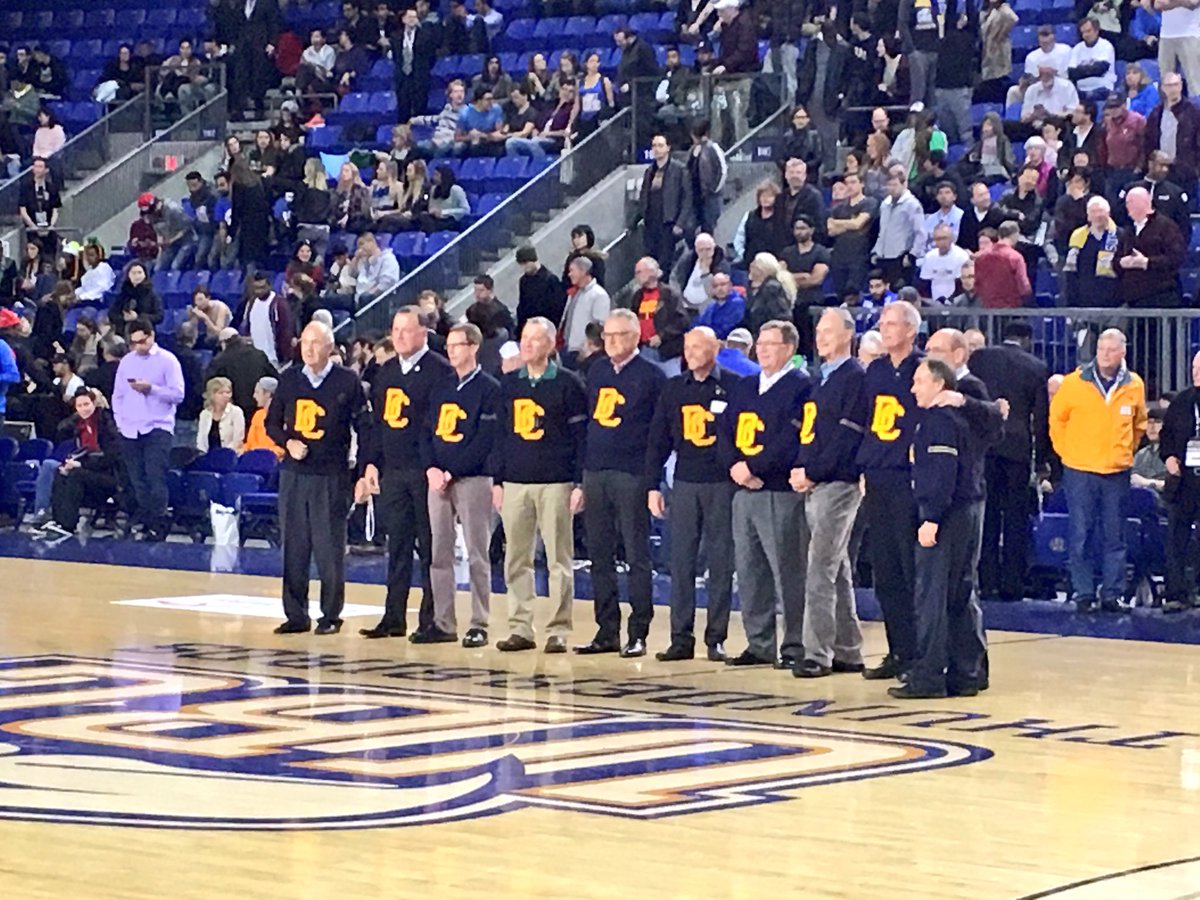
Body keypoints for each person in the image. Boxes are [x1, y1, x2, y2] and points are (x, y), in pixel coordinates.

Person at [357, 307, 456, 640]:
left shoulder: (440, 371)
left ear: (423, 333)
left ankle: (432, 619)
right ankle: (393, 617)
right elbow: (377, 424)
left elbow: (440, 426)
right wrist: (371, 463)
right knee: (397, 546)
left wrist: (437, 466)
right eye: (395, 329)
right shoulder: (385, 372)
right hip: (394, 471)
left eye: (406, 330)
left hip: (425, 471)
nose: (398, 336)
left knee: (430, 548)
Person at [890, 358, 986, 699]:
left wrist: (931, 516)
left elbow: (941, 472)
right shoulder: (962, 419)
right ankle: (967, 673)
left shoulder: (938, 421)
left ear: (939, 384)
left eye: (919, 381)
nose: (913, 388)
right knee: (961, 593)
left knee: (932, 596)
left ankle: (929, 676)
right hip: (967, 511)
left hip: (947, 515)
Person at [574, 309, 666, 657]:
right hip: (596, 471)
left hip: (632, 474)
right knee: (600, 554)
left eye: (618, 335)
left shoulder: (652, 375)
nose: (611, 342)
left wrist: (651, 478)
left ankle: (638, 631)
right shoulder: (596, 370)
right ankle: (606, 630)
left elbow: (659, 434)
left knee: (636, 554)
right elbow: (586, 425)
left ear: (635, 336)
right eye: (607, 336)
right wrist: (581, 478)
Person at [493, 317, 588, 653]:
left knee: (558, 560)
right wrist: (497, 481)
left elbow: (581, 438)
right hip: (515, 482)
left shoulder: (568, 383)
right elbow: (499, 437)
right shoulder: (509, 384)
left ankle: (559, 629)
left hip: (556, 482)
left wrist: (580, 482)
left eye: (535, 339)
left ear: (550, 345)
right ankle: (520, 627)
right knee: (515, 559)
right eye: (524, 338)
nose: (527, 344)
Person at [721, 319, 812, 668]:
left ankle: (794, 645)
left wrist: (755, 468)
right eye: (759, 343)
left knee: (787, 571)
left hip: (778, 490)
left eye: (770, 344)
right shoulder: (745, 386)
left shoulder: (801, 386)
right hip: (742, 490)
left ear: (788, 349)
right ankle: (759, 643)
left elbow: (791, 439)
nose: (761, 350)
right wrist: (734, 465)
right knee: (749, 570)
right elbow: (724, 429)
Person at [267, 321, 366, 634]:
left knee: (329, 548)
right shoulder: (289, 378)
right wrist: (288, 442)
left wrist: (362, 470)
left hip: (331, 475)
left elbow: (363, 426)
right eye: (305, 342)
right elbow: (272, 424)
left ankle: (331, 615)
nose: (308, 349)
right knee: (294, 546)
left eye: (316, 343)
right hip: (294, 475)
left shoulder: (347, 380)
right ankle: (296, 615)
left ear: (330, 347)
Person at [646, 327, 736, 662]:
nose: (691, 352)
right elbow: (658, 440)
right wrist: (652, 485)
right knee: (681, 561)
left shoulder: (733, 385)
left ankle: (716, 638)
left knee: (720, 562)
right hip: (684, 481)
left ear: (715, 348)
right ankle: (680, 638)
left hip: (722, 484)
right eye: (687, 347)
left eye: (698, 346)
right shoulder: (673, 388)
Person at [788, 309, 868, 678]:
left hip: (838, 484)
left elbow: (846, 438)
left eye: (828, 331)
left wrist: (812, 471)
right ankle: (849, 650)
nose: (820, 337)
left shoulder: (854, 377)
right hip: (816, 483)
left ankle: (816, 654)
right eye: (818, 331)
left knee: (820, 567)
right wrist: (801, 468)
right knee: (837, 568)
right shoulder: (822, 377)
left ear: (848, 335)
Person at [1049, 329, 1148, 611]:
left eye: (1111, 349)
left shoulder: (1135, 385)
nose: (1105, 354)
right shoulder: (1074, 382)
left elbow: (1139, 425)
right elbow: (1057, 421)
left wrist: (1124, 452)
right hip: (1079, 470)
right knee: (1081, 533)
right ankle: (1083, 593)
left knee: (1115, 536)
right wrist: (1068, 453)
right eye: (1102, 348)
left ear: (1123, 353)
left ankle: (1112, 594)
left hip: (1117, 472)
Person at [855, 300, 923, 680]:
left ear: (911, 330)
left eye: (892, 323)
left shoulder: (922, 369)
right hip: (877, 475)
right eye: (882, 322)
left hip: (907, 478)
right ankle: (897, 650)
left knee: (909, 567)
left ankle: (919, 654)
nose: (884, 328)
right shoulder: (876, 370)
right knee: (885, 571)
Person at [421, 322, 499, 647]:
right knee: (439, 553)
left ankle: (479, 622)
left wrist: (452, 470)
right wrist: (431, 468)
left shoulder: (489, 388)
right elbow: (426, 432)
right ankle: (443, 622)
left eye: (457, 345)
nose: (451, 351)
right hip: (438, 480)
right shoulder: (441, 386)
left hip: (473, 479)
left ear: (473, 347)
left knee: (477, 553)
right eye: (449, 346)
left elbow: (485, 441)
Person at [968, 322, 1050, 602]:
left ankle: (986, 581)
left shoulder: (980, 358)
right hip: (1017, 450)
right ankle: (1012, 584)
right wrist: (1043, 460)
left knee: (987, 515)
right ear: (1026, 339)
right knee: (1016, 518)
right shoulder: (1036, 367)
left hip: (984, 446)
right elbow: (1041, 419)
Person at [112, 318, 185, 542]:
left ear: (151, 336)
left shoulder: (168, 361)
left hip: (157, 426)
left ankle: (159, 523)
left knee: (155, 476)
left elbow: (178, 394)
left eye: (142, 342)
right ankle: (146, 520)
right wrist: (120, 420)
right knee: (137, 479)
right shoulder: (126, 361)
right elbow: (118, 394)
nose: (138, 347)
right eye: (133, 343)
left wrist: (152, 389)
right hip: (130, 428)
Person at [1160, 351, 1200, 609]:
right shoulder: (1182, 401)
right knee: (1176, 536)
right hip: (1183, 481)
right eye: (1194, 367)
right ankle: (1175, 591)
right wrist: (1169, 458)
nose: (1196, 373)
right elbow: (1166, 436)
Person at [1115, 186, 1186, 308]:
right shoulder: (1128, 230)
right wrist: (1122, 262)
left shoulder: (1167, 227)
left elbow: (1176, 258)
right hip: (1132, 298)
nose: (1127, 206)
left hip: (1161, 297)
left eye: (1130, 202)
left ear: (1144, 203)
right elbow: (1116, 260)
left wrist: (1147, 262)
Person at [636, 134, 691, 273]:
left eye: (660, 145)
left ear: (668, 148)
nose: (656, 149)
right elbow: (644, 196)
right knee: (650, 260)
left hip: (668, 223)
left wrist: (680, 223)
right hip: (651, 223)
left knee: (664, 263)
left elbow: (687, 198)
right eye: (654, 146)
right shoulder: (650, 171)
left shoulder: (679, 169)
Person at [206, 329, 279, 421]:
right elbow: (274, 377)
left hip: (234, 408)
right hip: (257, 404)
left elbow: (209, 384)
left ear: (223, 343)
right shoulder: (258, 355)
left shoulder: (220, 361)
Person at [827, 172, 879, 297]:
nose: (850, 186)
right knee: (839, 294)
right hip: (839, 256)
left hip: (859, 256)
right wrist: (850, 224)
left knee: (855, 293)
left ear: (862, 184)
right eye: (847, 183)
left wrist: (839, 223)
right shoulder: (838, 208)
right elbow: (831, 230)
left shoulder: (869, 203)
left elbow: (858, 223)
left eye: (853, 182)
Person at [872, 174, 926, 288]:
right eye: (889, 185)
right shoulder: (885, 204)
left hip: (901, 257)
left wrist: (912, 254)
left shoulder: (912, 205)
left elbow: (920, 232)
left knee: (898, 289)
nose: (892, 188)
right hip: (883, 256)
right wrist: (876, 251)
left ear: (903, 185)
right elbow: (882, 230)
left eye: (895, 185)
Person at [560, 256, 612, 365]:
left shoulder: (599, 295)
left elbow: (599, 325)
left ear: (583, 271)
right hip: (568, 349)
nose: (569, 274)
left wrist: (588, 350)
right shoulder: (576, 293)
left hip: (583, 354)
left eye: (572, 270)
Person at [973, 222, 1033, 307]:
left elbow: (977, 283)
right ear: (1015, 235)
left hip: (986, 307)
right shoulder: (1015, 257)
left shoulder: (981, 256)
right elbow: (1023, 287)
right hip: (1010, 308)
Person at [238, 275, 293, 368]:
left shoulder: (278, 304)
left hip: (275, 358)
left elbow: (285, 330)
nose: (259, 291)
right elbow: (247, 327)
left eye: (262, 287)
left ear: (269, 286)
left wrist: (285, 355)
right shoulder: (251, 303)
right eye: (256, 288)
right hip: (256, 357)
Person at [515, 245, 566, 336]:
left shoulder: (550, 280)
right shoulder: (524, 281)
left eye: (526, 263)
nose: (524, 267)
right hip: (529, 327)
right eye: (521, 264)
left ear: (533, 260)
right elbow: (522, 305)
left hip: (545, 328)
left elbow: (557, 307)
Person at [918, 224, 972, 302]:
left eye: (944, 238)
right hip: (933, 303)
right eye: (938, 239)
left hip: (955, 302)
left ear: (951, 238)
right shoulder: (929, 257)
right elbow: (924, 284)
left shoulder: (961, 256)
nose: (942, 242)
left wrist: (949, 301)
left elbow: (961, 285)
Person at [197, 376, 246, 453]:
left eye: (228, 392)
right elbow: (201, 441)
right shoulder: (205, 414)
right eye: (221, 393)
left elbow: (238, 440)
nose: (225, 396)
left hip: (230, 455)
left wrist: (223, 454)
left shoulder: (236, 412)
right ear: (212, 395)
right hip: (208, 455)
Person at [693, 272, 745, 338]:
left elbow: (727, 328)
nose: (719, 289)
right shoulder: (711, 306)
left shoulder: (737, 303)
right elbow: (700, 323)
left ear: (730, 285)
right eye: (715, 286)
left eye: (723, 284)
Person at [244, 376, 284, 459]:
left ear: (268, 394)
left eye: (257, 392)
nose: (254, 396)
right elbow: (249, 443)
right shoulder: (258, 415)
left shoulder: (283, 416)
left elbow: (283, 448)